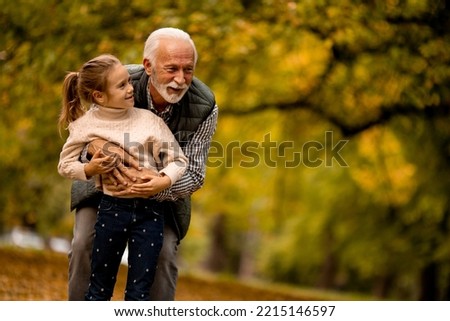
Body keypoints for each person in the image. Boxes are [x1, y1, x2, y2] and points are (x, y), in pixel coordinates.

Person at [68, 27, 218, 300]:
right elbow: (82, 144)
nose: (181, 79)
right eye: (171, 68)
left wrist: (157, 185)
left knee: (163, 254)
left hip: (164, 196)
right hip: (103, 189)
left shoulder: (205, 105)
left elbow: (195, 172)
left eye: (189, 70)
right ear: (148, 65)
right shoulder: (116, 79)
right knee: (83, 243)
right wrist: (101, 153)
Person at [58, 54, 188, 300]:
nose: (131, 89)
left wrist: (162, 179)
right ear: (98, 96)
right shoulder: (85, 126)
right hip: (111, 210)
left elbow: (179, 160)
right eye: (122, 86)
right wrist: (90, 169)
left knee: (139, 291)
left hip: (150, 213)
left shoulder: (149, 120)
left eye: (129, 82)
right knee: (99, 287)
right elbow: (65, 165)